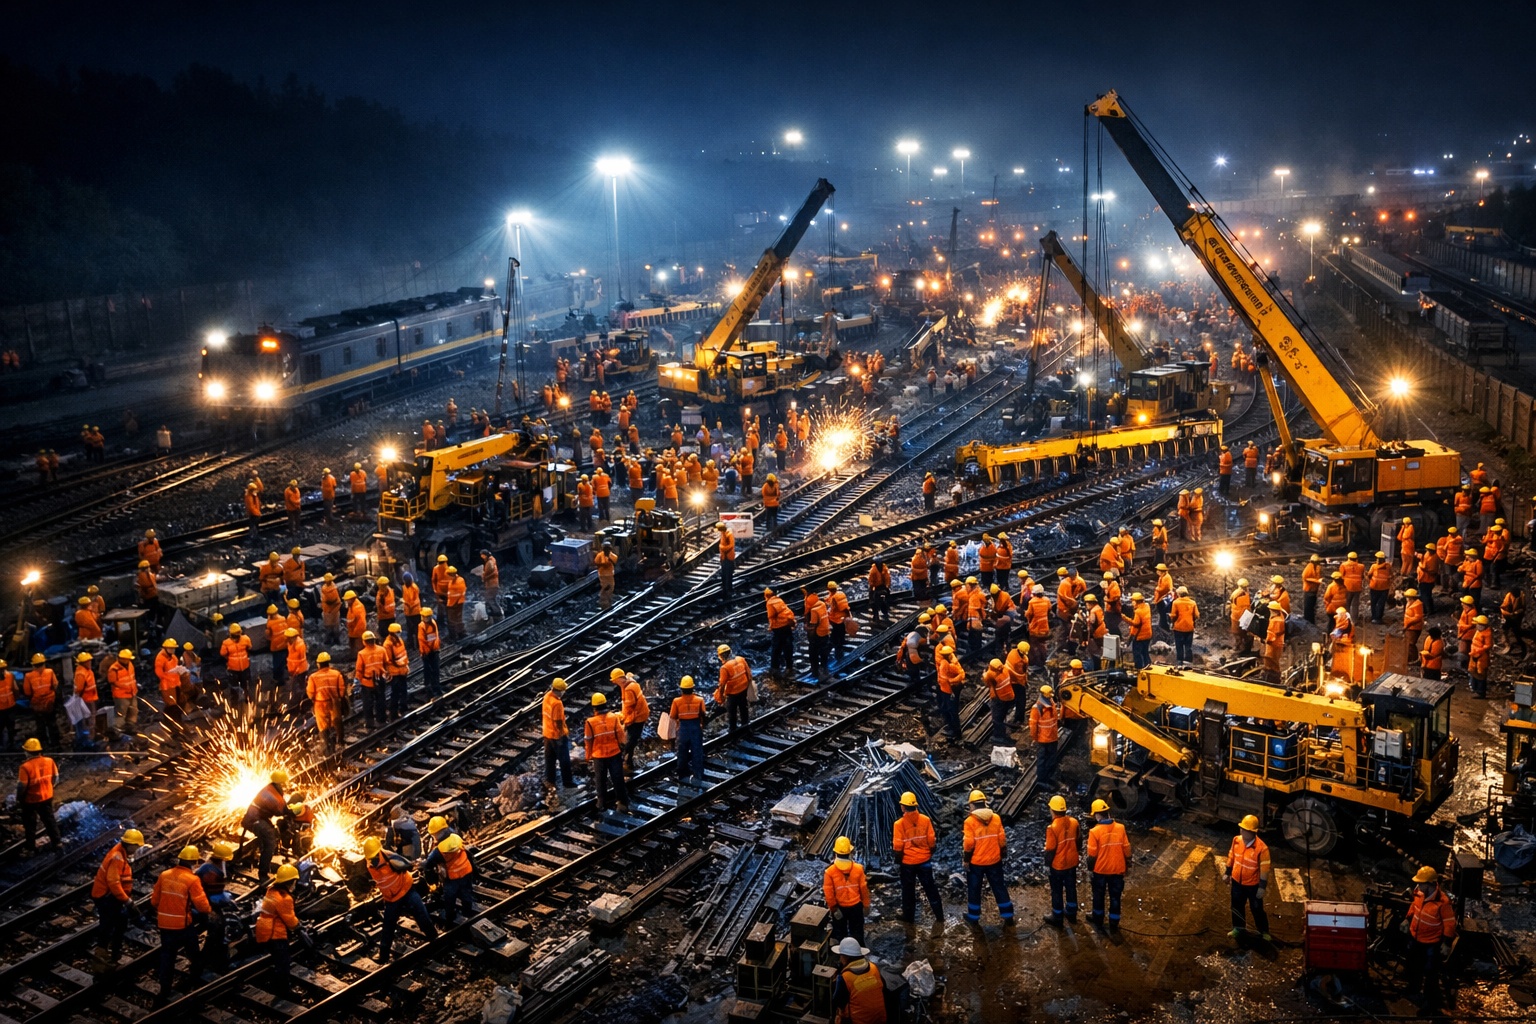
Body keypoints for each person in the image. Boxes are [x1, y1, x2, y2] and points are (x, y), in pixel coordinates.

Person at [151, 846, 211, 1005]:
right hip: (182, 926)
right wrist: (209, 912)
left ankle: (165, 989)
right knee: (193, 952)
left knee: (167, 957)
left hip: (164, 926)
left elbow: (154, 901)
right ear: (194, 862)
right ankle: (196, 977)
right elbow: (202, 905)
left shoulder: (164, 875)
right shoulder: (192, 879)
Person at [362, 836, 438, 962]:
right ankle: (383, 956)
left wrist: (411, 865)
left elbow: (407, 865)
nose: (371, 860)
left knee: (421, 914)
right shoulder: (370, 862)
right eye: (370, 857)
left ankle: (435, 940)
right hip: (392, 898)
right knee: (388, 926)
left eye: (374, 856)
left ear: (379, 852)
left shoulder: (388, 857)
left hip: (406, 890)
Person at [1403, 865, 1457, 1009]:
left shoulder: (1443, 902)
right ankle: (1413, 990)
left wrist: (1446, 944)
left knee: (1430, 972)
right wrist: (1407, 919)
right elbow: (1414, 907)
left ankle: (1430, 1002)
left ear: (1430, 884)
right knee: (1414, 966)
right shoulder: (1419, 893)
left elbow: (1450, 924)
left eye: (1421, 883)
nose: (1418, 885)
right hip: (1415, 937)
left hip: (1431, 943)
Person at [890, 790, 943, 924]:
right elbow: (932, 841)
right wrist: (928, 854)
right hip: (924, 861)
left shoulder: (899, 824)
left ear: (902, 806)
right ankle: (940, 916)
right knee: (931, 889)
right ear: (916, 805)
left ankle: (909, 918)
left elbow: (898, 847)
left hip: (908, 864)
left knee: (908, 892)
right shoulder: (925, 820)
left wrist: (898, 862)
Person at [92, 827, 145, 961]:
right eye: (137, 846)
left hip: (109, 896)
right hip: (106, 896)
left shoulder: (120, 852)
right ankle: (102, 954)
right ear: (131, 845)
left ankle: (114, 951)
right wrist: (127, 901)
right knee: (108, 924)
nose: (137, 849)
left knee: (119, 922)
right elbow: (114, 883)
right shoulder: (117, 857)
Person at [962, 789, 1013, 925]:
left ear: (972, 805)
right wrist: (1003, 853)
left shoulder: (969, 822)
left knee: (974, 889)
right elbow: (1002, 838)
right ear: (985, 803)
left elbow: (969, 843)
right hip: (994, 860)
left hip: (977, 862)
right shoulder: (995, 818)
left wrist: (966, 860)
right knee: (999, 886)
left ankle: (973, 917)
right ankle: (1008, 915)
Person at [254, 863, 302, 995]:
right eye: (294, 882)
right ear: (290, 882)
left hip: (263, 928)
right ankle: (283, 990)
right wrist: (299, 926)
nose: (295, 885)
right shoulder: (284, 898)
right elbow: (290, 921)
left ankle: (277, 984)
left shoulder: (271, 890)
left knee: (277, 959)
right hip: (275, 934)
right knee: (283, 962)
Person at [1086, 798, 1131, 929]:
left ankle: (1097, 918)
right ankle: (1114, 922)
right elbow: (1127, 849)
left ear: (1097, 815)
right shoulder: (1120, 828)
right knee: (1115, 896)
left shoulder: (1094, 832)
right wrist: (1128, 864)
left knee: (1098, 896)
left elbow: (1092, 856)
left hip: (1100, 871)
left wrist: (1090, 870)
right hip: (1117, 870)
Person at [1226, 814, 1272, 940]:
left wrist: (1262, 887)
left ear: (1253, 832)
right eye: (1242, 828)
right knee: (1236, 907)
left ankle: (1264, 931)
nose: (1242, 831)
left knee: (1257, 909)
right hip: (1237, 883)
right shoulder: (1237, 840)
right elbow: (1231, 856)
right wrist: (1227, 872)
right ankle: (1238, 928)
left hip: (1253, 886)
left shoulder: (1262, 849)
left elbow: (1264, 870)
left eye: (1245, 829)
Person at [241, 770, 291, 883]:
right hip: (254, 820)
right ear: (280, 782)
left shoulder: (272, 788)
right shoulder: (271, 793)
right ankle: (263, 875)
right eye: (284, 782)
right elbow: (281, 811)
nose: (285, 785)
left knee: (273, 832)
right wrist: (293, 811)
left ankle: (264, 859)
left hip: (259, 818)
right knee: (270, 843)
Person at [194, 841, 237, 971]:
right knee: (218, 931)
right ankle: (212, 961)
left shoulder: (211, 866)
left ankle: (211, 958)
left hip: (207, 900)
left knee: (218, 931)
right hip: (206, 903)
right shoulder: (211, 871)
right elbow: (208, 891)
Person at [584, 693, 628, 811]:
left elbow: (588, 740)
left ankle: (602, 804)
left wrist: (587, 757)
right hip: (614, 753)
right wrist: (623, 748)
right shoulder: (613, 717)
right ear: (605, 704)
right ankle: (622, 803)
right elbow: (621, 735)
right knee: (618, 778)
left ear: (594, 707)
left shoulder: (590, 722)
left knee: (600, 780)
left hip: (599, 756)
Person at [823, 836, 871, 944]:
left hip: (840, 908)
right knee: (857, 934)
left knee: (841, 935)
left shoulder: (830, 872)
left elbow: (829, 893)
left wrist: (834, 908)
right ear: (850, 852)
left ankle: (843, 957)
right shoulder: (858, 869)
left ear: (835, 853)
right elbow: (863, 889)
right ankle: (858, 956)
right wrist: (866, 905)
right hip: (856, 907)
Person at [17, 737, 61, 852]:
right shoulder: (49, 761)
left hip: (31, 799)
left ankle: (30, 848)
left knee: (30, 824)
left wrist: (19, 799)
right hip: (47, 796)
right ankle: (57, 843)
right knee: (49, 820)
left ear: (27, 752)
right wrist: (50, 787)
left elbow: (22, 786)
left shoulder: (25, 767)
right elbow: (56, 777)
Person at [829, 936, 887, 1024]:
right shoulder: (873, 968)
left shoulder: (845, 977)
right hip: (880, 1018)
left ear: (846, 958)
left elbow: (837, 1001)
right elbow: (883, 989)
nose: (840, 959)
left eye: (841, 956)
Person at [423, 832, 476, 927]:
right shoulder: (457, 840)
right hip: (465, 872)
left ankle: (450, 917)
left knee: (450, 898)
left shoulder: (438, 852)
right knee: (466, 894)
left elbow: (428, 865)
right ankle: (468, 914)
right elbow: (469, 855)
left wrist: (431, 881)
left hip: (452, 878)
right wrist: (476, 872)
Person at [1043, 795, 1080, 925]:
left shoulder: (1052, 828)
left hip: (1058, 866)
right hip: (1072, 863)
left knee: (1057, 890)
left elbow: (1050, 850)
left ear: (1052, 810)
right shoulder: (1074, 822)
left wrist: (1047, 865)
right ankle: (1071, 913)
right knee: (1071, 888)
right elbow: (1079, 842)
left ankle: (1057, 916)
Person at [669, 676, 707, 785]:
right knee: (697, 752)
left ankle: (682, 774)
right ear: (692, 688)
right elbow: (703, 714)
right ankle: (698, 774)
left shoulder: (676, 701)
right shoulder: (699, 700)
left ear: (681, 689)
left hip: (683, 728)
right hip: (695, 727)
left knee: (682, 752)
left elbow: (673, 716)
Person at [307, 652, 347, 754]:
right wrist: (340, 699)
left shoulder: (313, 677)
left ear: (319, 664)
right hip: (334, 702)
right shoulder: (337, 674)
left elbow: (310, 693)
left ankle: (328, 746)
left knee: (323, 726)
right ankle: (340, 742)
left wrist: (313, 699)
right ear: (328, 663)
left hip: (320, 704)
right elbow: (342, 690)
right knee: (337, 722)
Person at [22, 655, 61, 749]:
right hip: (50, 702)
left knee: (40, 724)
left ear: (33, 665)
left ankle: (43, 743)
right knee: (52, 723)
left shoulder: (29, 676)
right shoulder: (50, 672)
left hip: (37, 704)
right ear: (44, 663)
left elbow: (27, 691)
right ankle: (55, 743)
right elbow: (55, 685)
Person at [1029, 684, 1062, 788]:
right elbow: (1033, 726)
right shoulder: (1037, 708)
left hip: (1053, 737)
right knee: (1042, 760)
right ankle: (1042, 780)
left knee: (1052, 759)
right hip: (1043, 740)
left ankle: (1049, 778)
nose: (1050, 697)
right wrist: (1035, 738)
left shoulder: (1051, 702)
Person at [618, 670, 650, 773]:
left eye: (615, 681)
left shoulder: (628, 689)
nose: (614, 683)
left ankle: (627, 763)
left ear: (619, 679)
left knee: (630, 740)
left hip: (637, 718)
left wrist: (626, 721)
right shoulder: (631, 684)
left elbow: (629, 708)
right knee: (631, 739)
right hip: (641, 715)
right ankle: (628, 760)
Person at [715, 644, 752, 733]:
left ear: (720, 656)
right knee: (744, 709)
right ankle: (745, 726)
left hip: (733, 693)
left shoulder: (724, 668)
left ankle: (733, 730)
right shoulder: (740, 659)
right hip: (743, 689)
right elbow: (749, 675)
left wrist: (721, 697)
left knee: (732, 712)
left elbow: (722, 685)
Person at [355, 630, 387, 728]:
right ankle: (381, 720)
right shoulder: (382, 650)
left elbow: (359, 669)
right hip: (380, 680)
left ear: (364, 641)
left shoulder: (361, 653)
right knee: (381, 700)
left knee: (368, 703)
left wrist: (357, 682)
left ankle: (370, 723)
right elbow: (386, 663)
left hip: (367, 682)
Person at [765, 588, 797, 678]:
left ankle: (775, 668)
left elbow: (771, 616)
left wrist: (770, 627)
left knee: (776, 649)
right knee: (788, 647)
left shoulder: (769, 603)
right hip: (786, 626)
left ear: (767, 595)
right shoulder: (779, 600)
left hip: (778, 628)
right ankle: (789, 667)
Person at [108, 649, 139, 740]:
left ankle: (130, 727)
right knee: (121, 713)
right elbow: (113, 682)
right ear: (121, 658)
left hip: (132, 693)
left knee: (133, 710)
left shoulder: (130, 665)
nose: (128, 661)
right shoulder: (114, 669)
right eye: (126, 659)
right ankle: (118, 731)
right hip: (121, 695)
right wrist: (126, 687)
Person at [383, 623, 410, 719]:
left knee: (404, 690)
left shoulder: (399, 641)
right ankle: (393, 713)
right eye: (398, 632)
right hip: (394, 672)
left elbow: (403, 654)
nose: (399, 634)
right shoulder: (387, 644)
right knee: (395, 693)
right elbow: (389, 660)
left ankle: (404, 708)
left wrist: (406, 666)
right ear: (392, 633)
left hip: (402, 670)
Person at [1171, 586, 1199, 664]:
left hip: (1178, 628)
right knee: (1188, 646)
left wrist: (1172, 622)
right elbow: (1197, 615)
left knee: (1179, 646)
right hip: (1189, 628)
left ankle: (1180, 662)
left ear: (1179, 594)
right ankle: (1188, 662)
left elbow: (1173, 615)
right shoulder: (1192, 603)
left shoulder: (1176, 602)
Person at [1129, 592, 1152, 669]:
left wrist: (1125, 618)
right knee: (1145, 652)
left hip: (1139, 636)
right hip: (1148, 634)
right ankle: (1148, 666)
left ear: (1136, 601)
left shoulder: (1138, 612)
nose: (1132, 602)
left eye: (1132, 601)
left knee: (1137, 653)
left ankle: (1139, 669)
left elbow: (1136, 625)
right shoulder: (1147, 606)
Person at [594, 542, 618, 610]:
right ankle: (603, 602)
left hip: (610, 574)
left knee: (611, 587)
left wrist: (609, 559)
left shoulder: (613, 556)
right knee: (605, 587)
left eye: (607, 549)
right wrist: (602, 565)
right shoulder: (599, 555)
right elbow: (597, 563)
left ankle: (608, 599)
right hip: (603, 574)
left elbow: (614, 563)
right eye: (605, 549)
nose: (606, 550)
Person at [444, 567, 467, 638]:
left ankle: (460, 633)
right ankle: (455, 634)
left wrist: (458, 602)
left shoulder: (459, 581)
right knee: (452, 619)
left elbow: (461, 593)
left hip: (457, 603)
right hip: (451, 603)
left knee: (456, 619)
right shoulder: (451, 581)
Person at [716, 523, 736, 598]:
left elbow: (731, 545)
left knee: (728, 575)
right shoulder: (723, 534)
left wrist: (722, 547)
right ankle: (725, 589)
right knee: (724, 575)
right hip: (724, 558)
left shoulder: (729, 534)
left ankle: (729, 590)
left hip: (729, 558)